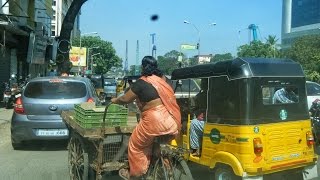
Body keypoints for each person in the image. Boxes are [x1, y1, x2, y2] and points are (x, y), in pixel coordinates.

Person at [111, 56, 181, 179]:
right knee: (158, 144)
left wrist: (115, 100)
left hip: (154, 121)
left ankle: (136, 172)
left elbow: (125, 99)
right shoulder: (164, 80)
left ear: (143, 67)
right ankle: (167, 169)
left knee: (135, 144)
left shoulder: (141, 82)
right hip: (172, 120)